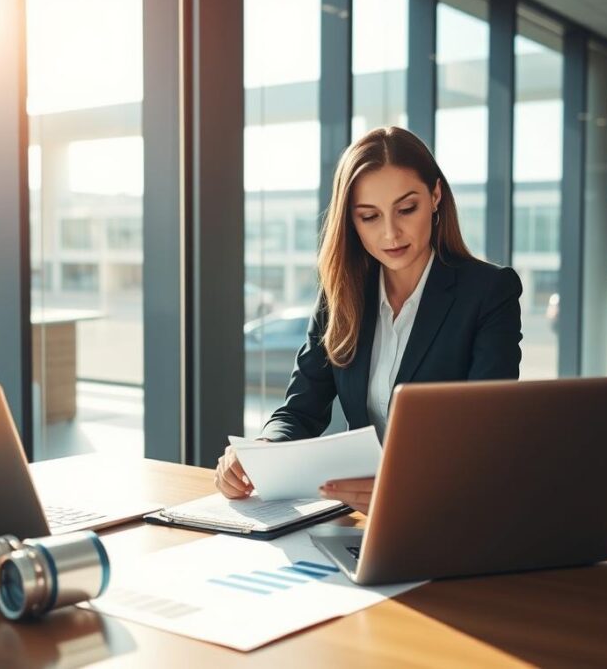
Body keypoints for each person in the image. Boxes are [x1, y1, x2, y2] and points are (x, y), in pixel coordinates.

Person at [215, 126, 523, 513]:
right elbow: (300, 410)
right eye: (369, 216)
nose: (390, 233)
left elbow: (487, 433)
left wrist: (405, 487)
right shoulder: (341, 294)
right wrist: (260, 452)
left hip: (452, 512)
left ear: (435, 196)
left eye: (406, 209)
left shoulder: (489, 292)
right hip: (360, 518)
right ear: (352, 221)